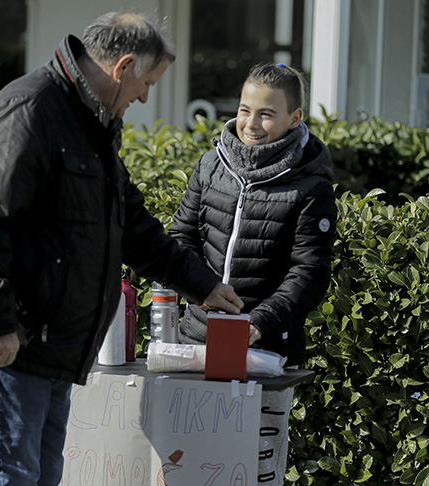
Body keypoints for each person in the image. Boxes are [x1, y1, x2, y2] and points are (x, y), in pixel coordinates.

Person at [0, 11, 244, 486]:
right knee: (9, 479)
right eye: (147, 83)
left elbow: (132, 226)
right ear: (123, 67)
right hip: (14, 341)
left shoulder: (92, 121)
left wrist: (201, 285)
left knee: (39, 477)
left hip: (50, 344)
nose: (145, 97)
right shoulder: (32, 107)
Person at [168, 62, 337, 483]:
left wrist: (257, 324)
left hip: (266, 356)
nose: (251, 124)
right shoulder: (210, 165)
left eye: (266, 114)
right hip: (196, 345)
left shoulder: (312, 186)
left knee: (254, 472)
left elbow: (309, 273)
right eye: (245, 110)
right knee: (191, 467)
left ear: (295, 118)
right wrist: (200, 288)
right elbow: (180, 238)